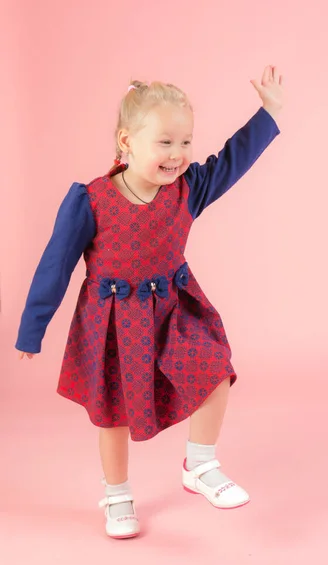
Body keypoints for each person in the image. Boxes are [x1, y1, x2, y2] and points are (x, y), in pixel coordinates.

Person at [16, 65, 284, 539]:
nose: (178, 154)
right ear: (127, 141)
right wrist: (31, 331)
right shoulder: (91, 200)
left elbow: (232, 160)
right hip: (114, 321)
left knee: (214, 370)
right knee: (113, 412)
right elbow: (54, 265)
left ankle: (199, 466)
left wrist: (268, 113)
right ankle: (117, 496)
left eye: (185, 142)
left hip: (173, 310)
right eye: (165, 142)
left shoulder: (189, 189)